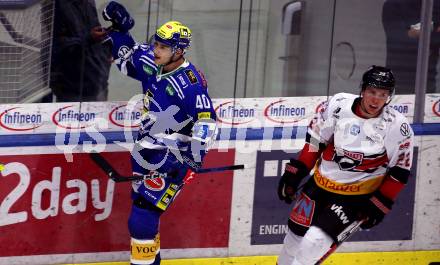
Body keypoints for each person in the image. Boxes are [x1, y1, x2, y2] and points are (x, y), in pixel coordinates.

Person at [101, 2, 217, 265]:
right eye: (156, 44)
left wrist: (190, 161)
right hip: (146, 153)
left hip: (174, 158)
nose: (156, 50)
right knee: (142, 220)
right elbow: (128, 57)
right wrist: (120, 28)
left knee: (141, 218)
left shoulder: (190, 85)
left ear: (178, 51)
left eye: (163, 47)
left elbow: (207, 122)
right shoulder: (154, 61)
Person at [277, 65, 414, 264]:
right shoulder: (338, 104)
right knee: (293, 240)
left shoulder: (396, 127)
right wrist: (296, 171)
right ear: (363, 90)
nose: (376, 99)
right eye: (372, 92)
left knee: (311, 245)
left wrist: (380, 203)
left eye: (383, 94)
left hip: (354, 198)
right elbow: (316, 140)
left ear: (389, 96)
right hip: (319, 185)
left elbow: (400, 172)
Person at [43, 0, 111, 102]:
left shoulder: (88, 3)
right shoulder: (55, 6)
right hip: (73, 89)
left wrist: (107, 50)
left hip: (98, 82)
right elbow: (57, 46)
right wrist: (89, 38)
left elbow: (95, 29)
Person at [382, 0, 440, 94]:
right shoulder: (393, 5)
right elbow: (399, 39)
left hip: (428, 82)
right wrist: (432, 31)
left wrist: (416, 33)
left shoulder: (436, 5)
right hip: (398, 82)